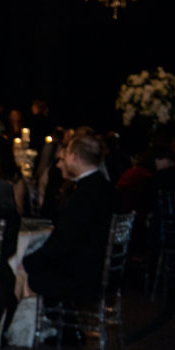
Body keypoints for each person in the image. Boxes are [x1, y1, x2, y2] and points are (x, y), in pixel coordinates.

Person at [23, 132, 117, 308]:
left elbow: (64, 241)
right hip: (100, 269)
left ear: (74, 157)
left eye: (65, 156)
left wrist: (27, 261)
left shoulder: (85, 194)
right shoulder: (104, 187)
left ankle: (41, 330)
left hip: (81, 275)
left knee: (23, 273)